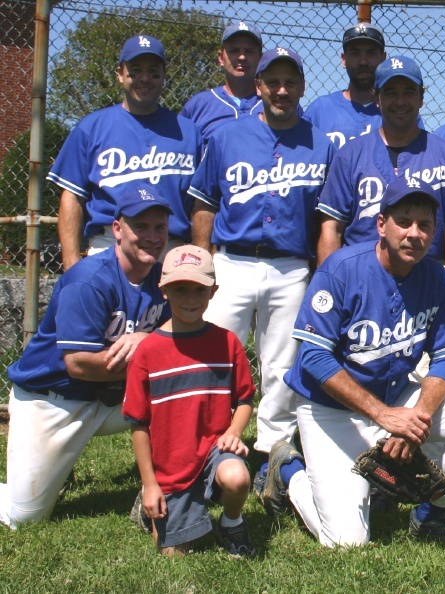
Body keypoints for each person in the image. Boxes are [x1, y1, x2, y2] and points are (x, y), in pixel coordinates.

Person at [262, 177, 445, 548]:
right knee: (345, 542)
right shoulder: (341, 270)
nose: (414, 233)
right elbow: (313, 357)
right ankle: (289, 471)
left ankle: (431, 515)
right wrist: (384, 417)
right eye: (404, 221)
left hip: (395, 397)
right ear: (381, 225)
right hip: (330, 410)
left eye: (425, 225)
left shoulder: (437, 278)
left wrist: (415, 419)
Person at [188, 47, 336, 506]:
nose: (282, 90)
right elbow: (204, 203)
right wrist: (202, 262)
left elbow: (328, 218)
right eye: (273, 81)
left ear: (302, 88)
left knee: (279, 366)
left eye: (291, 82)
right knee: (211, 354)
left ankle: (269, 456)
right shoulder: (229, 137)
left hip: (291, 266)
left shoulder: (321, 142)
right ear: (259, 86)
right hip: (232, 260)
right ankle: (202, 450)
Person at [1, 188, 173, 528]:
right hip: (53, 400)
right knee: (23, 517)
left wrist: (149, 341)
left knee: (183, 391)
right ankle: (49, 472)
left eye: (160, 227)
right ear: (118, 229)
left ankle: (170, 490)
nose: (152, 237)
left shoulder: (162, 278)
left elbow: (190, 328)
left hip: (113, 397)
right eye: (142, 227)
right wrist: (150, 354)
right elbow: (78, 364)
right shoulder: (90, 280)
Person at [315, 55, 445, 331]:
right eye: (390, 92)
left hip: (428, 279)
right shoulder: (351, 154)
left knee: (427, 368)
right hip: (360, 278)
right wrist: (329, 285)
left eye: (408, 92)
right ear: (377, 97)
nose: (400, 101)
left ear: (422, 97)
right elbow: (331, 227)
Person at [124, 245, 256, 557]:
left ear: (214, 291)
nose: (191, 299)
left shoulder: (227, 343)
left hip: (213, 451)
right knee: (174, 557)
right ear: (164, 290)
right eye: (180, 289)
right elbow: (138, 423)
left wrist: (234, 432)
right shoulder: (148, 352)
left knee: (237, 478)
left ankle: (231, 521)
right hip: (171, 467)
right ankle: (151, 505)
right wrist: (150, 483)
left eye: (199, 289)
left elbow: (245, 398)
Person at [48, 35, 199, 271]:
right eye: (135, 71)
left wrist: (197, 256)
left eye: (153, 71)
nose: (144, 79)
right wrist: (70, 263)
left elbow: (202, 203)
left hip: (170, 248)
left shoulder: (188, 132)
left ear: (164, 74)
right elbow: (72, 197)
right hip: (109, 243)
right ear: (120, 73)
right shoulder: (91, 128)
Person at [304, 23, 387, 149]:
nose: (363, 61)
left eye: (370, 53)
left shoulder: (397, 111)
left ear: (383, 59)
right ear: (344, 59)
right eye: (355, 53)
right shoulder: (320, 110)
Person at [180, 21, 264, 146]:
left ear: (261, 58)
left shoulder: (276, 104)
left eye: (249, 51)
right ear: (220, 58)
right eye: (233, 50)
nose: (241, 57)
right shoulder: (198, 105)